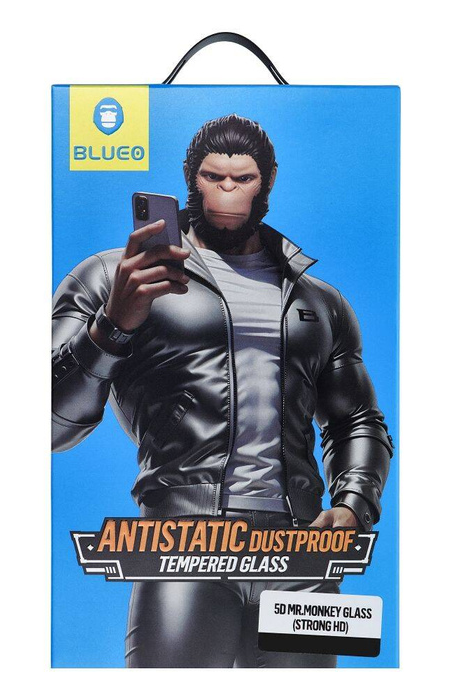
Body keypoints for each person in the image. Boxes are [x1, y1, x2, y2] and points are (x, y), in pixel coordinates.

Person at [52, 114, 393, 667]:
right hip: (183, 546)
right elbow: (49, 424)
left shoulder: (320, 301)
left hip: (299, 553)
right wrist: (112, 325)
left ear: (267, 182)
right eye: (214, 178)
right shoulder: (115, 276)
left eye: (243, 179)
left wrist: (354, 504)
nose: (228, 192)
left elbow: (355, 419)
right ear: (192, 179)